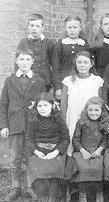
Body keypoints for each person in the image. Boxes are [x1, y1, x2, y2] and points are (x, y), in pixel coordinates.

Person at [0, 49, 46, 201]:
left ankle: (31, 187)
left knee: (31, 157)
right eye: (22, 59)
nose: (25, 62)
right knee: (15, 158)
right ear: (16, 61)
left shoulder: (39, 81)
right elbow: (3, 105)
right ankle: (16, 187)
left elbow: (44, 104)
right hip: (15, 125)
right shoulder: (10, 80)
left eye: (28, 59)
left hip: (32, 126)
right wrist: (4, 126)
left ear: (32, 62)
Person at [25, 92, 71, 202]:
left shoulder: (58, 120)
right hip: (39, 151)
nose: (42, 109)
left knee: (54, 175)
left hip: (55, 152)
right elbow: (28, 139)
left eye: (46, 105)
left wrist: (56, 152)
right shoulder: (33, 120)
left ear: (52, 106)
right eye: (40, 106)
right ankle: (41, 198)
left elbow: (65, 139)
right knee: (37, 174)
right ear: (36, 107)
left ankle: (52, 199)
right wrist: (35, 151)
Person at [61, 51, 104, 156]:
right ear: (75, 63)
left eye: (85, 62)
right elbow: (64, 104)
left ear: (91, 64)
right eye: (79, 62)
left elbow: (100, 102)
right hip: (73, 117)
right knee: (72, 142)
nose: (82, 65)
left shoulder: (97, 81)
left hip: (92, 118)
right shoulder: (68, 81)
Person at [72, 97, 109, 202]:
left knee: (97, 167)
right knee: (83, 167)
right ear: (86, 110)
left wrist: (99, 150)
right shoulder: (81, 123)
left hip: (97, 151)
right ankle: (82, 193)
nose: (93, 113)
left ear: (102, 111)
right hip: (83, 151)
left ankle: (96, 194)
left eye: (97, 110)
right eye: (90, 110)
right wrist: (83, 151)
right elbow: (75, 140)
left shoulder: (103, 123)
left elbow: (105, 140)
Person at [52, 15, 90, 100]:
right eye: (69, 27)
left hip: (81, 80)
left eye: (75, 27)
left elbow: (89, 65)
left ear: (80, 28)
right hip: (63, 80)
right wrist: (58, 87)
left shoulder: (84, 44)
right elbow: (55, 67)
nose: (72, 30)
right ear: (65, 28)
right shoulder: (60, 45)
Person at [17, 13, 54, 92]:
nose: (34, 29)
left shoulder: (48, 43)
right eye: (32, 25)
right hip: (27, 81)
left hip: (45, 81)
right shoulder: (23, 42)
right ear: (28, 27)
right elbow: (18, 63)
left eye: (37, 26)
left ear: (43, 27)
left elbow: (54, 64)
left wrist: (54, 85)